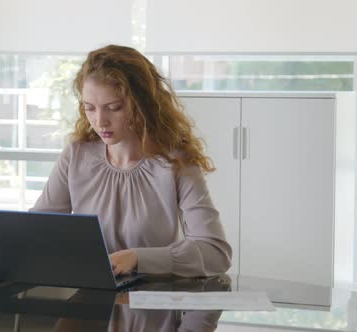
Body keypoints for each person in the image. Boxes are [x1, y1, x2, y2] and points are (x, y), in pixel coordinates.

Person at [30, 45, 231, 277]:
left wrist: (137, 257)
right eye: (89, 108)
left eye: (114, 108)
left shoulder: (175, 163)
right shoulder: (76, 155)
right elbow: (38, 230)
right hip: (87, 302)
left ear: (141, 105)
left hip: (152, 303)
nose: (100, 121)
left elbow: (215, 252)